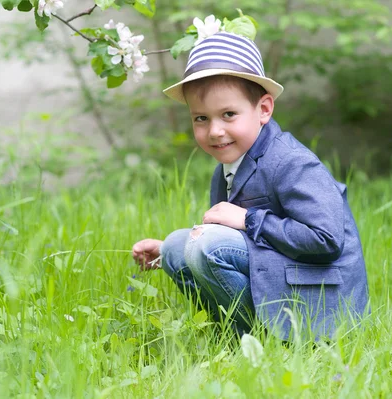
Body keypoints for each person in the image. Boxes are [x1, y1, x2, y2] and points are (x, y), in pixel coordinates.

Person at [132, 31, 369, 340]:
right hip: (277, 272)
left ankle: (262, 340)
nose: (215, 131)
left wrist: (247, 219)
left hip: (320, 293)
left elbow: (325, 240)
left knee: (208, 245)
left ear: (264, 110)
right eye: (201, 118)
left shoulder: (291, 161)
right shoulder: (228, 167)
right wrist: (167, 253)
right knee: (179, 245)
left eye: (228, 114)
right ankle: (233, 336)